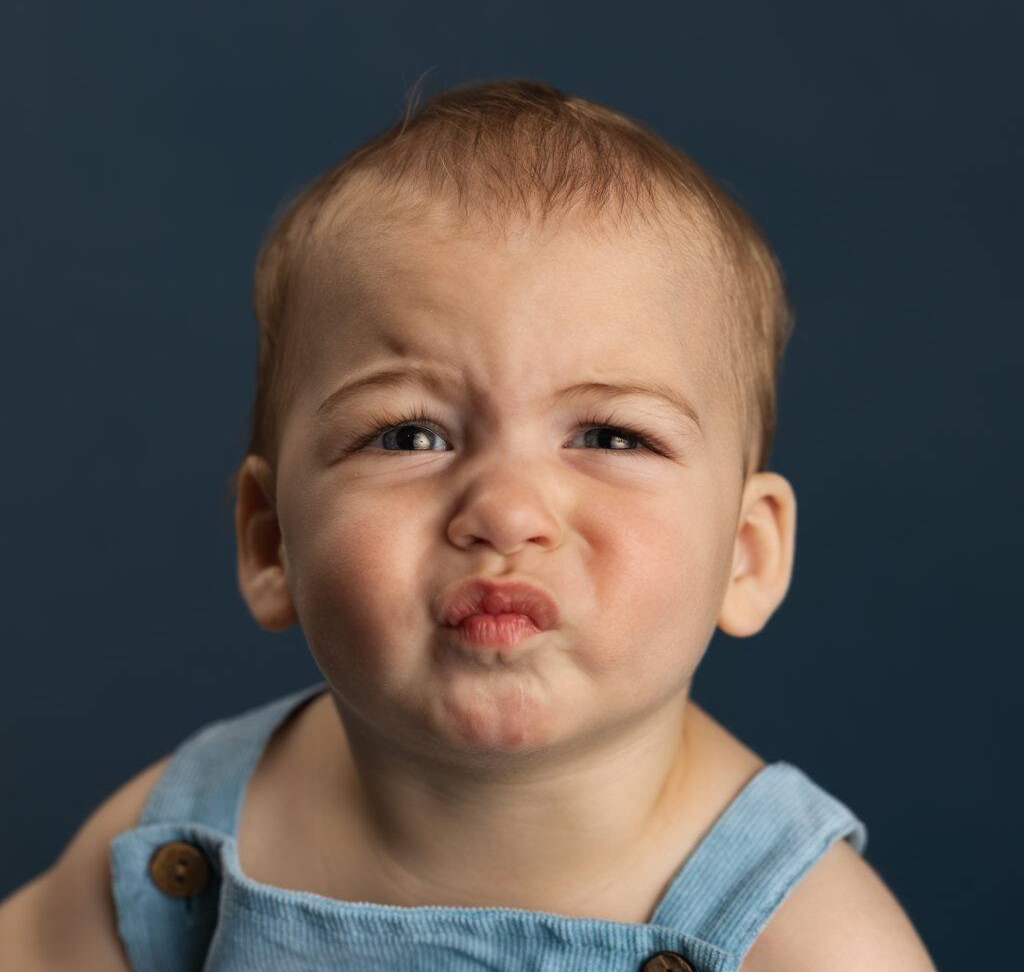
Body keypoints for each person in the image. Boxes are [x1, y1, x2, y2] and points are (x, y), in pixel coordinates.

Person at [0, 79, 936, 971]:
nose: (506, 512)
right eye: (410, 434)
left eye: (610, 434)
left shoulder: (804, 935)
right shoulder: (184, 846)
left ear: (747, 553)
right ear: (271, 542)